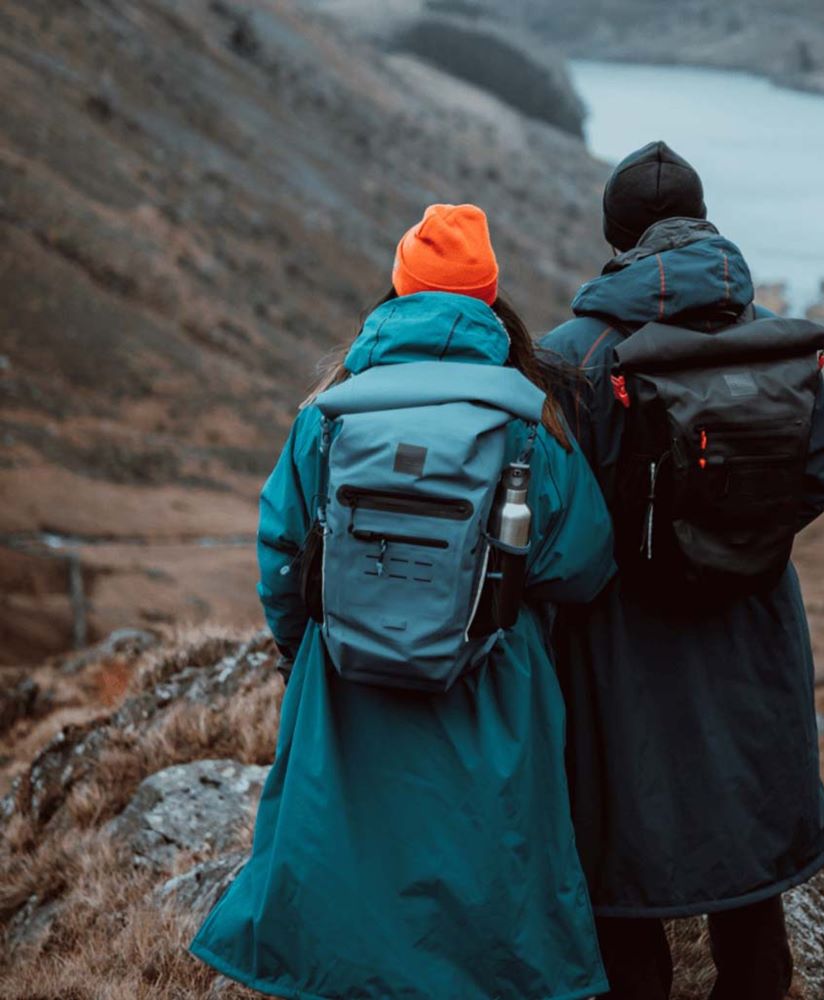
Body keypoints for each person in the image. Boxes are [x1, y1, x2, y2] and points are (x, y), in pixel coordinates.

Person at [190, 203, 616, 1000]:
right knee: (486, 871)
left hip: (344, 687)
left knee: (346, 868)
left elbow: (283, 557)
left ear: (398, 291)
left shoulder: (328, 414)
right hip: (491, 686)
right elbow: (586, 563)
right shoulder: (531, 423)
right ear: (489, 302)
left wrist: (304, 654)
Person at [541, 142, 824, 1000]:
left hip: (624, 652)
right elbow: (814, 483)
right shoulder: (776, 340)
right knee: (748, 865)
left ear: (617, 235)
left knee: (626, 870)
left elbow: (560, 525)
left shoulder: (572, 354)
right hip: (755, 632)